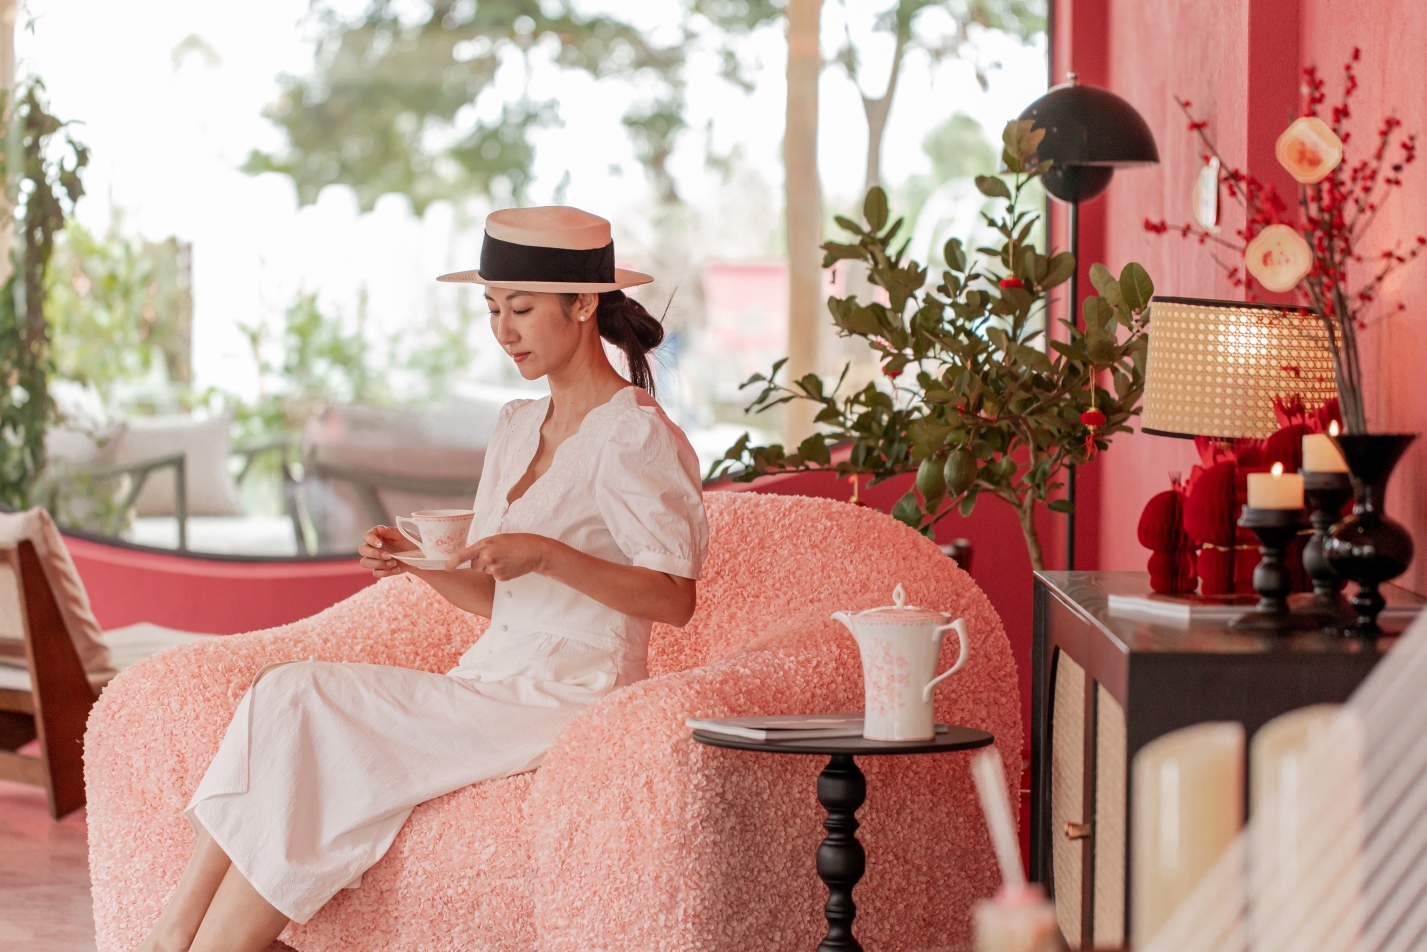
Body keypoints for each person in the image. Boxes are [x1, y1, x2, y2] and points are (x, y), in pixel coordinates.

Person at [137, 206, 709, 952]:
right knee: (282, 690)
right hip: (490, 680)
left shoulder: (634, 433)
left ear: (581, 305)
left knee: (299, 695)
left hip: (572, 696)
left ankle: (175, 940)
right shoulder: (515, 426)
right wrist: (416, 565)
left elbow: (674, 598)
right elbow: (500, 600)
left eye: (521, 309)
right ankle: (185, 936)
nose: (503, 330)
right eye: (493, 309)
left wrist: (548, 554)